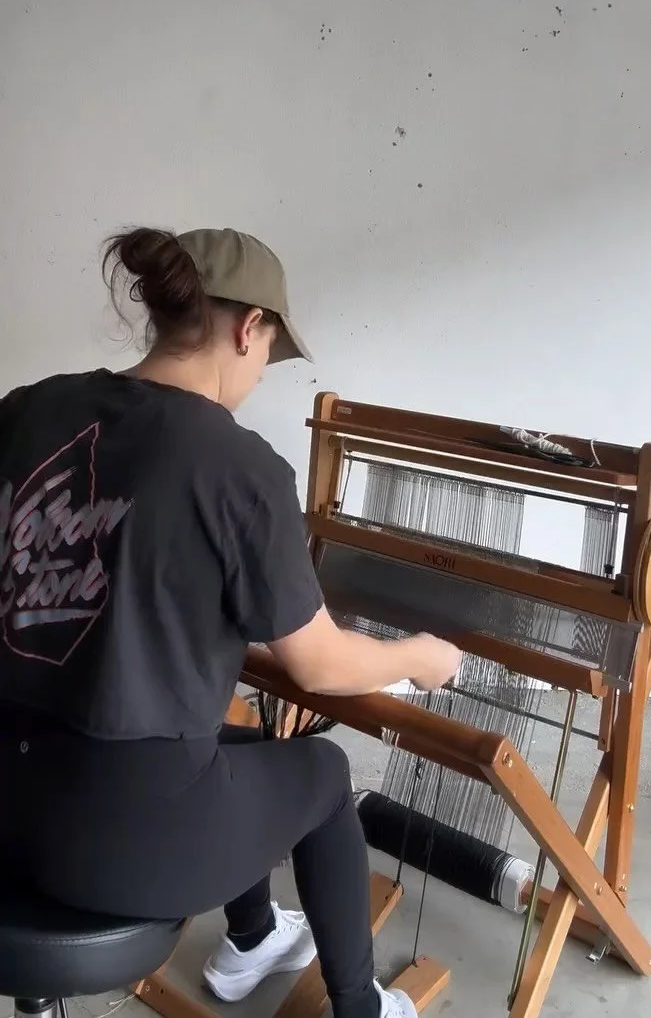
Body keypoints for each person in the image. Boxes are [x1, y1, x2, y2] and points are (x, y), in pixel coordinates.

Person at [0, 226, 460, 1018]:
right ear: (249, 329)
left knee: (234, 746)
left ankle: (253, 937)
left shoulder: (26, 410)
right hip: (119, 842)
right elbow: (319, 666)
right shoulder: (236, 466)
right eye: (269, 350)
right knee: (323, 775)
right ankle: (361, 1008)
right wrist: (417, 656)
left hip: (10, 794)